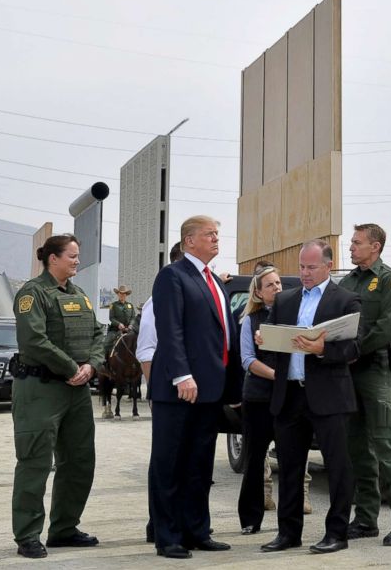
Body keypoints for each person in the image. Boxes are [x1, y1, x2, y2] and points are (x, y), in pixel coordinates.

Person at [259, 240, 361, 555]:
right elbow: (278, 344)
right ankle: (288, 533)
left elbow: (355, 348)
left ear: (328, 265)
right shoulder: (285, 300)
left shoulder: (346, 300)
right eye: (302, 266)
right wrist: (265, 340)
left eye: (311, 267)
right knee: (289, 467)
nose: (304, 273)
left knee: (337, 466)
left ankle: (336, 534)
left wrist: (322, 350)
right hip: (289, 395)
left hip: (329, 397)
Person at [11, 234, 105, 559]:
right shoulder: (32, 293)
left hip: (76, 390)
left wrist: (91, 366)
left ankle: (64, 529)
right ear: (53, 258)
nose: (78, 261)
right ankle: (27, 535)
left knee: (79, 462)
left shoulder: (78, 295)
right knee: (35, 461)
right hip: (41, 390)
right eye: (73, 256)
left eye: (78, 256)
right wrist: (70, 368)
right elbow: (34, 340)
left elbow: (98, 333)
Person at [148, 215, 233, 559]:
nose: (216, 239)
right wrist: (182, 375)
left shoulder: (214, 281)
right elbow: (170, 331)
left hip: (210, 391)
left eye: (217, 234)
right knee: (170, 464)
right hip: (179, 389)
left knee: (200, 465)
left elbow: (220, 336)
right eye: (209, 235)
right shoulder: (173, 276)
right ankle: (168, 536)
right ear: (188, 241)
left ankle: (197, 531)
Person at [339, 223, 391, 546]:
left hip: (375, 370)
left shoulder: (390, 282)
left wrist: (357, 349)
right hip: (349, 373)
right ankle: (366, 519)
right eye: (352, 243)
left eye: (357, 243)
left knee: (385, 446)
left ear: (376, 246)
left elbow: (389, 327)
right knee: (357, 449)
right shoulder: (347, 281)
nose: (351, 248)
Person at [236, 267, 313, 535]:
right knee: (255, 459)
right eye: (269, 285)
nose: (277, 288)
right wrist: (276, 375)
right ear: (258, 292)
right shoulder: (251, 320)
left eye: (279, 282)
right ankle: (250, 518)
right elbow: (247, 359)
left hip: (289, 398)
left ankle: (288, 520)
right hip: (258, 398)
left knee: (291, 459)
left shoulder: (294, 316)